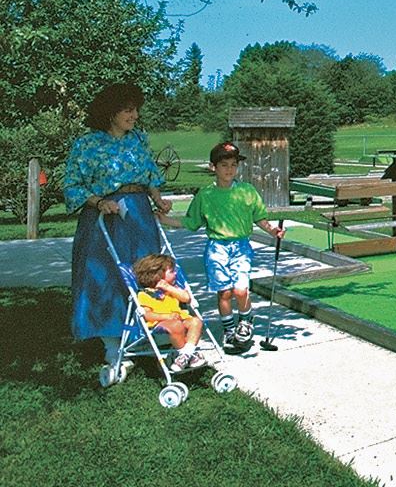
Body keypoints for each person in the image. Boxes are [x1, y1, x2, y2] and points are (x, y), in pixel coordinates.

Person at [64, 83, 173, 376]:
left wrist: (158, 198)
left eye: (136, 109)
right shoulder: (87, 145)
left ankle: (146, 335)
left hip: (138, 216)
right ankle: (113, 346)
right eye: (128, 109)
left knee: (146, 272)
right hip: (106, 218)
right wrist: (99, 202)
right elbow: (73, 185)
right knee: (109, 276)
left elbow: (150, 173)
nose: (134, 115)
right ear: (110, 112)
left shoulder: (138, 139)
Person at [157, 142, 285, 352]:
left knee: (241, 290)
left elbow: (260, 217)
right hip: (217, 248)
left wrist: (272, 231)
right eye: (224, 165)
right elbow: (191, 222)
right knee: (224, 293)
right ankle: (229, 331)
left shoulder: (246, 191)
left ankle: (245, 323)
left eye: (233, 165)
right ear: (213, 167)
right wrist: (166, 220)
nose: (229, 169)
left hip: (241, 246)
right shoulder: (205, 195)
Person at [132, 253, 206, 372]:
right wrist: (166, 316)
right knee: (176, 325)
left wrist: (169, 288)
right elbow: (147, 315)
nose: (175, 273)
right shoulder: (144, 294)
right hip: (159, 325)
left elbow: (186, 298)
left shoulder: (173, 289)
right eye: (171, 271)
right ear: (158, 276)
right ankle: (189, 356)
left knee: (196, 321)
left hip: (180, 320)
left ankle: (185, 355)